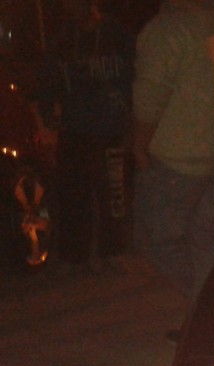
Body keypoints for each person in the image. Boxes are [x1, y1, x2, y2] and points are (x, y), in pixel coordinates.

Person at [131, 0, 214, 337]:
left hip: (173, 155)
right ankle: (209, 320)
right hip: (212, 151)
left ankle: (211, 307)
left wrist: (139, 142)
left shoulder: (168, 31)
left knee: (154, 239)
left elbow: (150, 96)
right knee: (205, 240)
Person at [31, 0, 134, 272]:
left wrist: (132, 119)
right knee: (73, 195)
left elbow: (134, 77)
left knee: (112, 195)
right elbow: (47, 78)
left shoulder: (117, 35)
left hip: (111, 128)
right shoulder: (63, 39)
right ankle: (74, 255)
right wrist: (47, 112)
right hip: (75, 128)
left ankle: (112, 251)